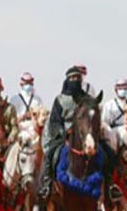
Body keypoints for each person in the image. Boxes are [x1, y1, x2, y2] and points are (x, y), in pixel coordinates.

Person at [38, 66, 118, 200]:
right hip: (64, 136)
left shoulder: (88, 99)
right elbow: (55, 121)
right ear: (67, 80)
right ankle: (47, 184)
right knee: (51, 154)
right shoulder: (60, 100)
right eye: (72, 77)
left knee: (107, 153)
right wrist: (63, 133)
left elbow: (93, 118)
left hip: (87, 135)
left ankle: (110, 186)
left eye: (77, 77)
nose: (75, 80)